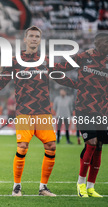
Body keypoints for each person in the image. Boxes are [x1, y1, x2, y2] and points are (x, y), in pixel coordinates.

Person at [0, 26, 77, 196]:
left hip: (44, 111)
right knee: (22, 147)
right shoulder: (15, 60)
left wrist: (82, 85)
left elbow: (61, 78)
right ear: (25, 39)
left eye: (37, 36)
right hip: (24, 111)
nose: (33, 38)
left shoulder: (46, 60)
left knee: (51, 146)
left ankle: (43, 188)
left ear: (40, 40)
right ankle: (17, 186)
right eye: (30, 36)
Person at [53, 33, 108, 198]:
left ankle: (91, 187)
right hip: (84, 108)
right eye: (105, 41)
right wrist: (75, 84)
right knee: (91, 144)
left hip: (103, 110)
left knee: (98, 146)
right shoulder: (84, 57)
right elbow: (56, 70)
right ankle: (80, 184)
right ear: (96, 43)